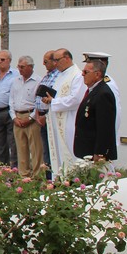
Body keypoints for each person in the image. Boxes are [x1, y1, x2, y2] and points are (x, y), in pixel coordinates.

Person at [41, 48, 85, 177]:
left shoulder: (77, 75)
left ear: (67, 58)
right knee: (57, 152)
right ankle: (59, 178)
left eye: (57, 60)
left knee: (68, 151)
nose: (55, 63)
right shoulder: (60, 75)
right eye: (53, 60)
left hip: (69, 121)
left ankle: (71, 178)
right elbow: (56, 95)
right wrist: (48, 100)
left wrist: (54, 101)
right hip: (56, 120)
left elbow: (76, 99)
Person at [73, 59, 117, 163]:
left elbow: (105, 127)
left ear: (97, 74)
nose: (82, 75)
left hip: (95, 153)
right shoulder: (93, 91)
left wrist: (100, 152)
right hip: (86, 150)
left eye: (86, 72)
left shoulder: (103, 94)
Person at [10, 55, 43, 176]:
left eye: (22, 67)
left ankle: (38, 176)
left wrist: (30, 118)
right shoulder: (16, 81)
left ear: (30, 67)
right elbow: (11, 101)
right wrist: (14, 117)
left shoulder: (38, 81)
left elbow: (39, 102)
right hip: (18, 117)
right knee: (21, 149)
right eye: (18, 66)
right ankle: (23, 175)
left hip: (31, 117)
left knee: (36, 149)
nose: (19, 69)